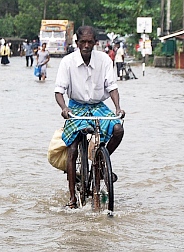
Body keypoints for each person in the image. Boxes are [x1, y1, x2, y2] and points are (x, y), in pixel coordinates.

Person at [54, 26, 125, 209]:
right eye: (83, 42)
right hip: (75, 106)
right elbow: (59, 91)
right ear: (77, 43)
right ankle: (71, 197)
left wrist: (118, 108)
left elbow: (112, 87)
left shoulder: (104, 60)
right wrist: (64, 108)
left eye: (90, 42)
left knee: (118, 129)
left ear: (95, 43)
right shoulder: (67, 62)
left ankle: (100, 164)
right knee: (73, 148)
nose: (86, 45)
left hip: (98, 106)